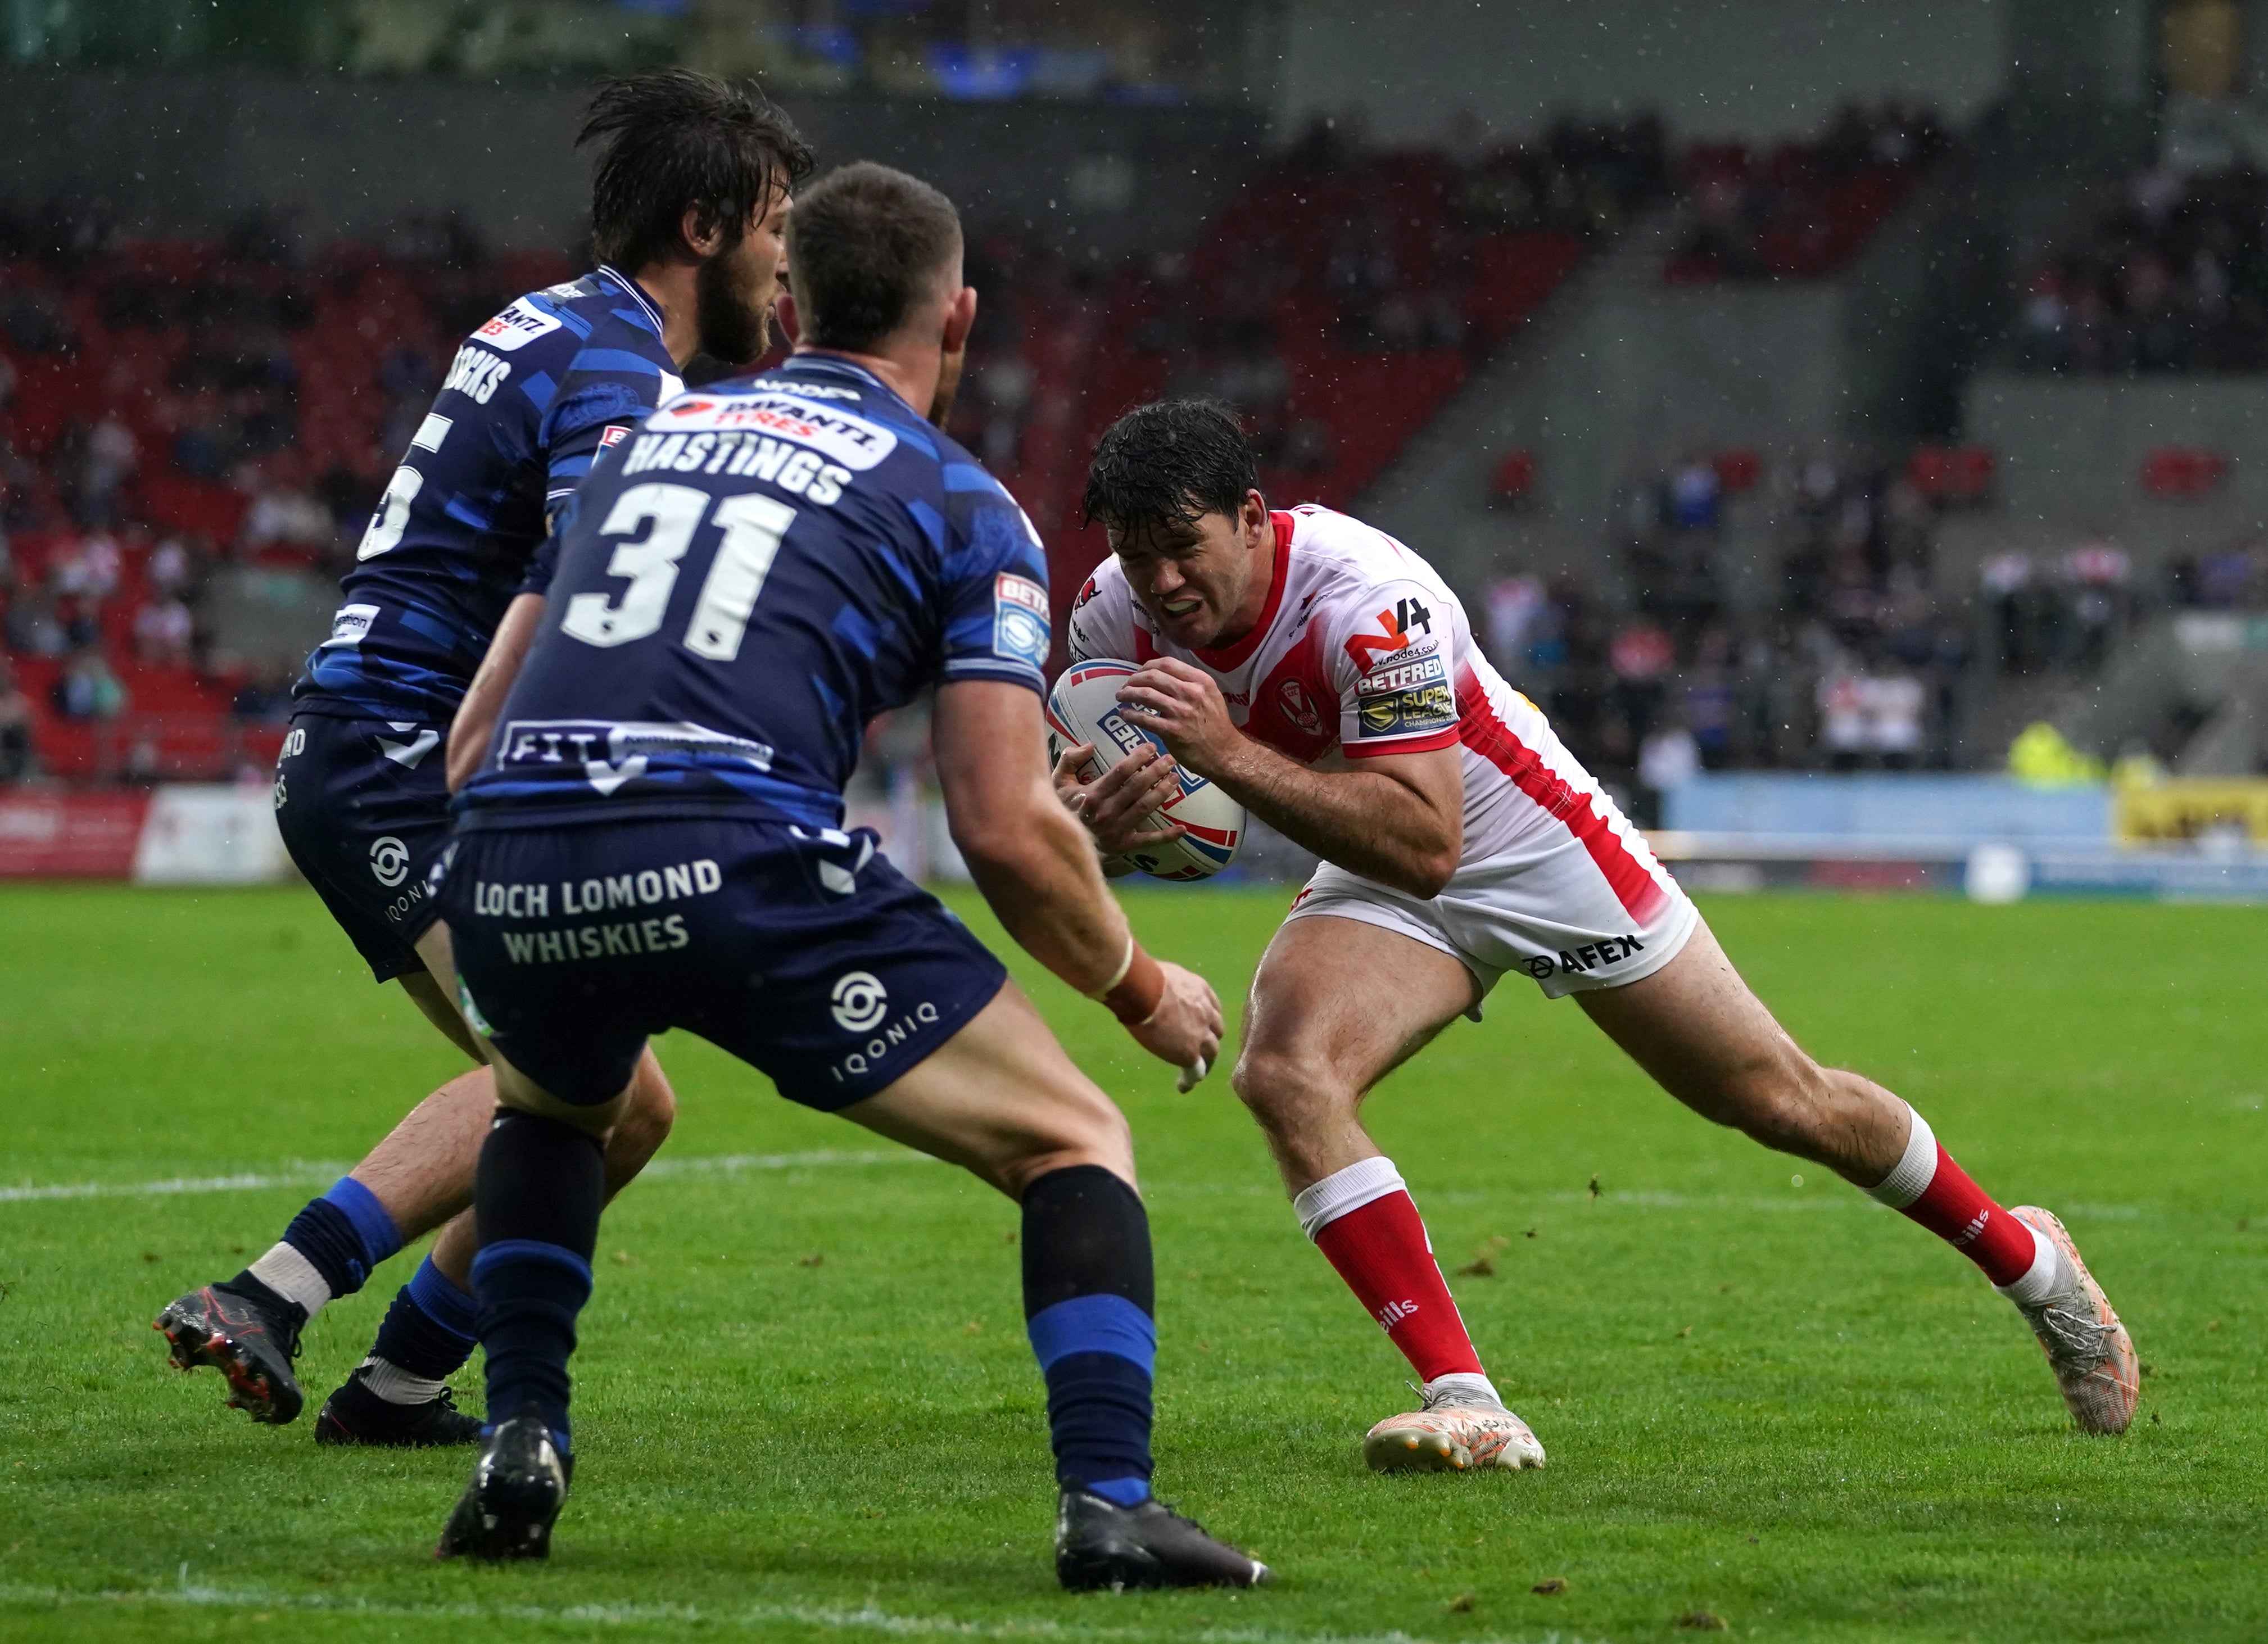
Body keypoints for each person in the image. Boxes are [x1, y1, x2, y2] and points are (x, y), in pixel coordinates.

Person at [425, 162, 1266, 1588]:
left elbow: (471, 743)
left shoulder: (642, 439)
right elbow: (999, 826)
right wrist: (1138, 985)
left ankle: (520, 1436)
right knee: (1069, 1139)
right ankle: (1108, 1506)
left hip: (510, 843)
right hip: (729, 843)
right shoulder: (959, 497)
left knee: (552, 1108)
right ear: (961, 320)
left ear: (793, 302)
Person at [1058, 400, 2139, 1474]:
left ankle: (2034, 1266)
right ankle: (1469, 1400)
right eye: (1134, 553)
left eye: (1183, 548)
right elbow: (1078, 796)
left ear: (1251, 517)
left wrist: (1229, 757)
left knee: (1778, 1099)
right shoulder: (1112, 619)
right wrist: (1089, 810)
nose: (1159, 583)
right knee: (1287, 1071)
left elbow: (1431, 839)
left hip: (1524, 839)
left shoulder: (1370, 601)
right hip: (1376, 852)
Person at [153, 69, 813, 1448]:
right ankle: (272, 1290)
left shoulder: (554, 326)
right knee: (566, 1078)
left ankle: (399, 1382)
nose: (786, 253)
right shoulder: (616, 366)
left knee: (626, 1105)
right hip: (408, 752)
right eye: (774, 222)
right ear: (700, 227)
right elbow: (593, 590)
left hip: (374, 742)